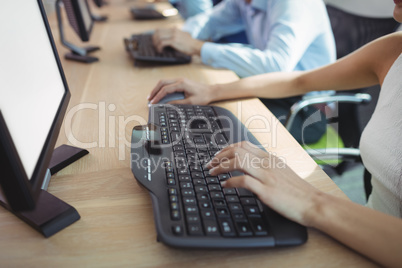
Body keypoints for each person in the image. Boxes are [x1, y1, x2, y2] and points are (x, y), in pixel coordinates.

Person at [148, 2, 402, 266]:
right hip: (354, 231)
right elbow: (296, 79)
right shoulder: (394, 48)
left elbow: (284, 70)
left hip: (312, 127)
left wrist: (312, 201)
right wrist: (213, 91)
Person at [152, 0, 336, 144]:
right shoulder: (246, 1)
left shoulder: (293, 3)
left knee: (210, 127)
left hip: (305, 111)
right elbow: (212, 20)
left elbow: (276, 65)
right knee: (200, 111)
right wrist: (180, 36)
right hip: (269, 88)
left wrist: (199, 47)